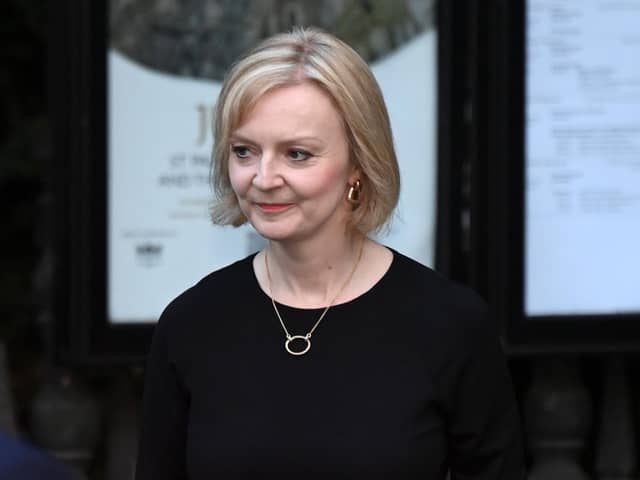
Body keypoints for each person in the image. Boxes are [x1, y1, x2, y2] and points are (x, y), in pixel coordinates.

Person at [135, 27, 525, 479]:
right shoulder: (191, 324)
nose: (263, 177)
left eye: (296, 154)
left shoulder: (449, 325)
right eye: (244, 151)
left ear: (359, 164)